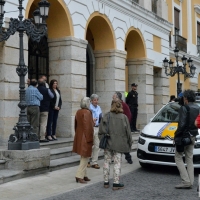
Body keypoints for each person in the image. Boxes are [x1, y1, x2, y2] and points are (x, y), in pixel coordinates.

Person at [99, 99, 132, 190]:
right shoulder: (124, 117)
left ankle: (106, 182)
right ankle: (116, 183)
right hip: (119, 144)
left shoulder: (106, 116)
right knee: (117, 163)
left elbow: (101, 130)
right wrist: (130, 142)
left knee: (106, 162)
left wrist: (102, 139)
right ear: (120, 106)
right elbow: (128, 132)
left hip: (108, 143)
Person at [174, 90, 199, 189]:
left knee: (178, 157)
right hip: (193, 135)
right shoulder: (197, 108)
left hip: (183, 136)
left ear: (186, 98)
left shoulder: (184, 108)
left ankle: (186, 181)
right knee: (189, 158)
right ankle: (191, 181)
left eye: (184, 97)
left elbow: (182, 125)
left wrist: (176, 136)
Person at [73, 97, 94, 184]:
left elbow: (76, 125)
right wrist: (90, 139)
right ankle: (79, 175)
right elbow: (88, 127)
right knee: (85, 157)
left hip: (79, 135)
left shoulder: (78, 111)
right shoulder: (87, 112)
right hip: (85, 137)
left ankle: (84, 175)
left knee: (83, 157)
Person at [113, 92, 133, 164]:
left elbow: (128, 116)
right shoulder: (113, 105)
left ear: (118, 98)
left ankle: (128, 157)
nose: (113, 97)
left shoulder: (124, 105)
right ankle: (113, 157)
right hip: (114, 127)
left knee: (123, 143)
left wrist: (124, 125)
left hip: (121, 127)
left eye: (114, 97)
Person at [87, 94, 102, 169]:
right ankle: (87, 161)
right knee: (89, 145)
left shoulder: (99, 107)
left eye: (97, 100)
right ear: (91, 101)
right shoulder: (89, 108)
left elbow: (100, 116)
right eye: (95, 100)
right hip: (90, 127)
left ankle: (94, 162)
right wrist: (91, 120)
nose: (96, 101)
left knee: (97, 145)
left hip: (97, 127)